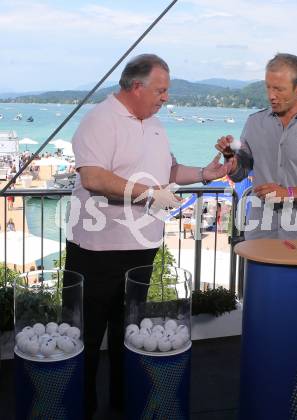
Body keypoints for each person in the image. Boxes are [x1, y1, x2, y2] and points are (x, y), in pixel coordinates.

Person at [64, 53, 228, 418]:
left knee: (129, 333)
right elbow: (93, 177)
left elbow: (167, 170)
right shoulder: (100, 120)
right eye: (161, 90)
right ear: (136, 87)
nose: (165, 97)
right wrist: (149, 194)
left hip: (143, 249)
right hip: (96, 250)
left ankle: (123, 405)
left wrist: (206, 172)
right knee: (86, 337)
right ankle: (81, 409)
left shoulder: (155, 125)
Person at [216, 53, 297, 239]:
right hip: (258, 234)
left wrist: (288, 194)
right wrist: (230, 158)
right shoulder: (254, 122)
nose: (271, 96)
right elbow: (240, 173)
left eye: (279, 89)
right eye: (268, 87)